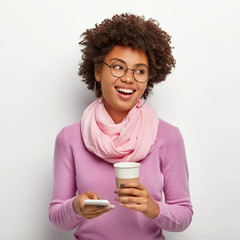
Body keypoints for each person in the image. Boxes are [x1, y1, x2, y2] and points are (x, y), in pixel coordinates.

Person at [49, 13, 193, 240]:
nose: (129, 78)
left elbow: (184, 214)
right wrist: (75, 207)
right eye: (118, 67)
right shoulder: (69, 138)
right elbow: (57, 218)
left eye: (139, 71)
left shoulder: (168, 136)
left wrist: (153, 208)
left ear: (148, 78)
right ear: (98, 72)